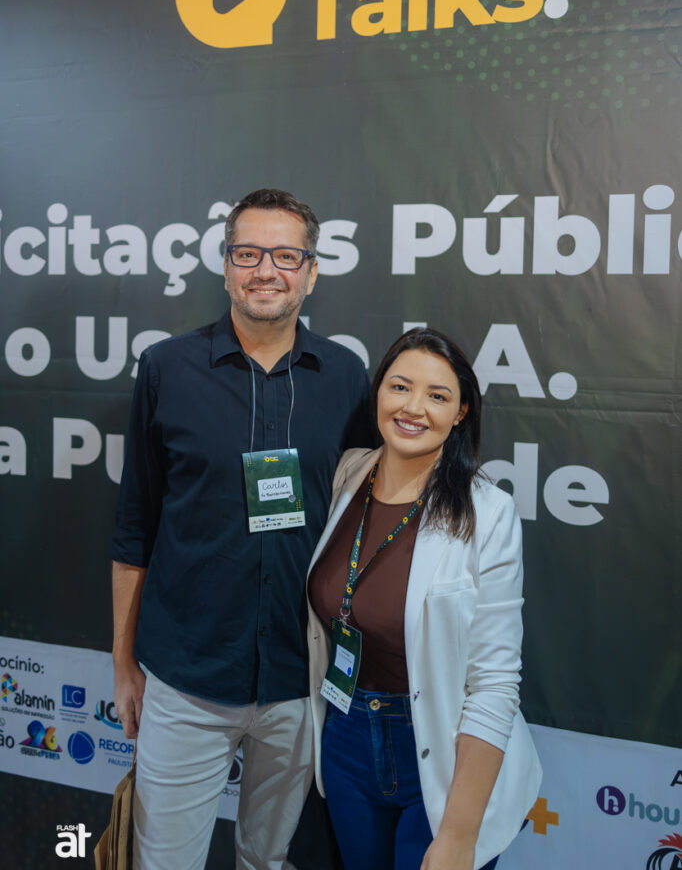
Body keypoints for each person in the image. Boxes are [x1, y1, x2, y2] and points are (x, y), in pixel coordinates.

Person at [110, 189, 371, 870]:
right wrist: (123, 662)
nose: (266, 271)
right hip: (187, 675)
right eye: (248, 254)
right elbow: (135, 526)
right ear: (226, 267)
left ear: (311, 272)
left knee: (268, 860)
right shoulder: (167, 368)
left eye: (286, 256)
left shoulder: (347, 376)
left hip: (298, 678)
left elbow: (367, 523)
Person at [307, 328, 542, 870]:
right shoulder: (348, 474)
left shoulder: (487, 512)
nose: (413, 408)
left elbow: (494, 683)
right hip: (344, 736)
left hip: (442, 745)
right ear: (378, 393)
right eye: (400, 386)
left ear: (461, 412)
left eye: (437, 395)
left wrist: (458, 833)